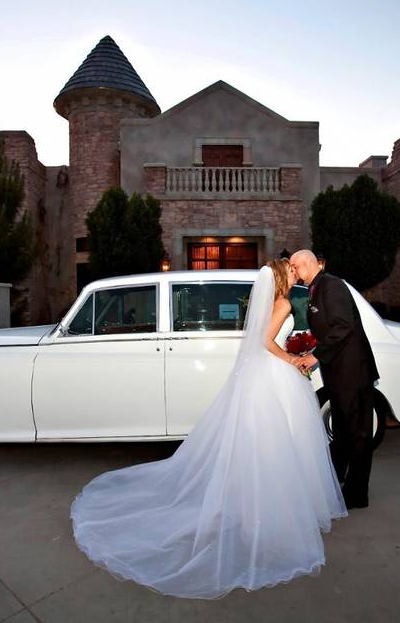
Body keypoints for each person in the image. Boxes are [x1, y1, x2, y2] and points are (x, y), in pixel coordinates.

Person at [71, 259, 346, 599]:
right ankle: (274, 513)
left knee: (270, 443)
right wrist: (292, 359)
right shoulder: (284, 302)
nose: (294, 273)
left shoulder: (280, 301)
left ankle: (268, 506)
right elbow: (264, 340)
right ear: (279, 278)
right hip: (276, 376)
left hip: (270, 376)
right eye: (289, 271)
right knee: (278, 443)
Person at [289, 250, 380, 509]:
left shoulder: (332, 285)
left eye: (295, 267)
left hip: (353, 372)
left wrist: (316, 355)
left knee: (358, 434)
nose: (294, 272)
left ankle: (357, 494)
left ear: (307, 263)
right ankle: (337, 481)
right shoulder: (316, 288)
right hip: (338, 374)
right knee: (341, 432)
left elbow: (343, 325)